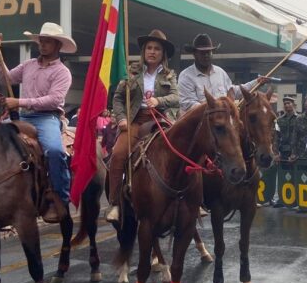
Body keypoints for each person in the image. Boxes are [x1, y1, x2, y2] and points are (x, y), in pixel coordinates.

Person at [0, 22, 76, 214]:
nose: (42, 45)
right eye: (41, 41)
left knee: (54, 151)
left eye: (47, 42)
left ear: (58, 46)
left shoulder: (62, 72)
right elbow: (7, 78)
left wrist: (18, 102)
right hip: (23, 116)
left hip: (47, 118)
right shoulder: (28, 65)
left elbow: (54, 100)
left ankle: (60, 198)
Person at [106, 29, 179, 222]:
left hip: (159, 121)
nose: (152, 52)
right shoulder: (132, 72)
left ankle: (185, 200)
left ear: (163, 53)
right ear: (144, 51)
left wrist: (159, 100)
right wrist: (121, 118)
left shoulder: (170, 75)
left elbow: (176, 98)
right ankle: (115, 203)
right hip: (135, 120)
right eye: (149, 48)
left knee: (180, 153)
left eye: (157, 49)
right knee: (118, 154)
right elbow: (118, 98)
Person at [178, 33, 267, 114]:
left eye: (208, 52)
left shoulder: (220, 72)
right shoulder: (186, 76)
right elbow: (188, 104)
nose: (206, 55)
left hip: (223, 123)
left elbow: (234, 91)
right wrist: (216, 108)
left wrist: (256, 83)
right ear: (194, 54)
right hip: (197, 125)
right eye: (202, 53)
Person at [276, 96, 298, 161]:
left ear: (293, 105)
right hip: (283, 151)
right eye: (285, 104)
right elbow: (276, 137)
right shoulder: (279, 120)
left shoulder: (299, 119)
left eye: (288, 103)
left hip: (296, 152)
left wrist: (294, 153)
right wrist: (276, 153)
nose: (286, 105)